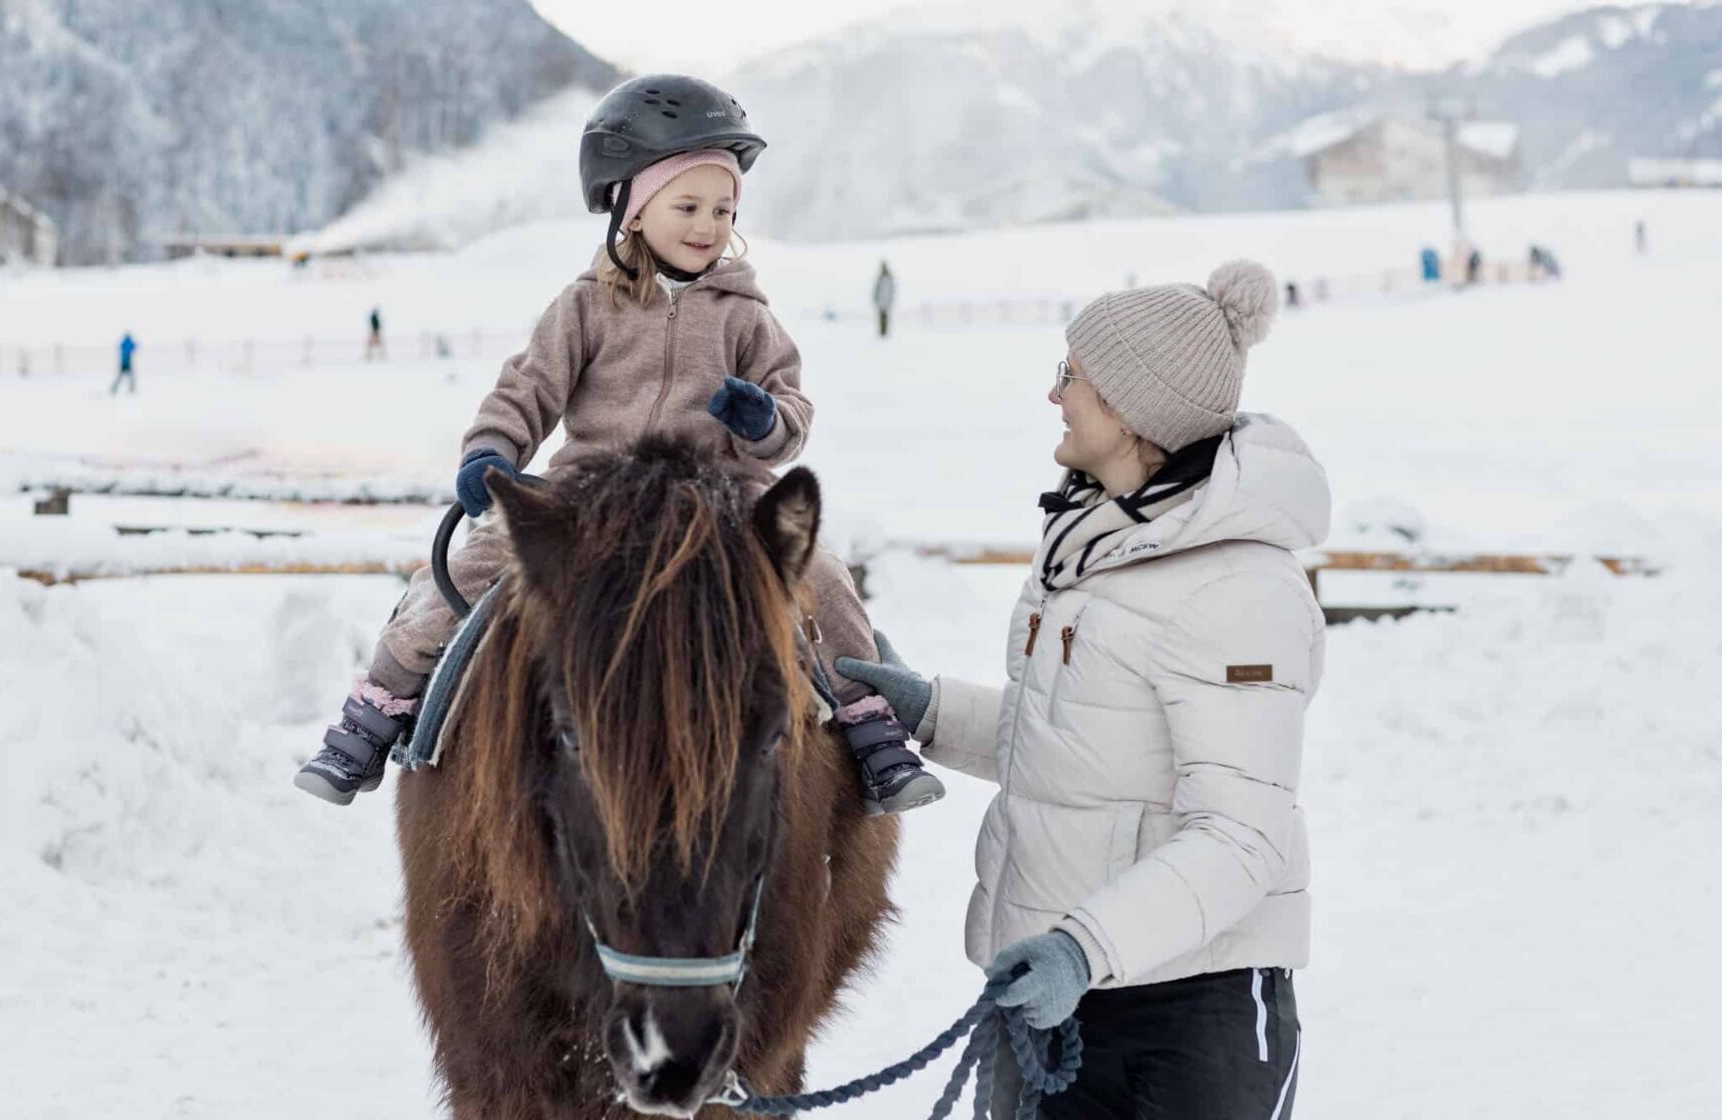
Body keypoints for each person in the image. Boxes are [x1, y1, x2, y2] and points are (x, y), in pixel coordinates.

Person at [294, 75, 945, 819]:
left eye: (723, 209)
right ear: (633, 211)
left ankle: (867, 726)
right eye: (688, 206)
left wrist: (762, 419)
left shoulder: (746, 314)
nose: (708, 225)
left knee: (823, 578)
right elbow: (526, 389)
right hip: (590, 493)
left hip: (722, 497)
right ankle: (378, 709)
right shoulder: (584, 306)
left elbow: (793, 413)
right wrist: (491, 452)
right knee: (464, 568)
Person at [840, 261, 1327, 1118]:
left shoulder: (1237, 589)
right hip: (1058, 994)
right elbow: (1086, 751)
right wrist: (931, 712)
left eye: (1072, 375)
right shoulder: (1091, 545)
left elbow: (1241, 836)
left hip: (1188, 1016)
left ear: (1134, 407)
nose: (1053, 396)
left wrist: (1081, 949)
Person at [873, 259, 897, 338]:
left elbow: (891, 290)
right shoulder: (882, 277)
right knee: (881, 317)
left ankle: (884, 332)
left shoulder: (886, 278)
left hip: (885, 301)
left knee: (884, 317)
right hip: (882, 301)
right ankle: (882, 332)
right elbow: (877, 289)